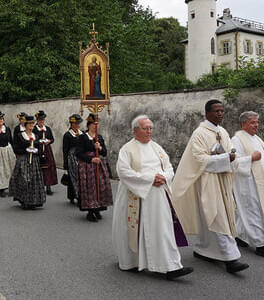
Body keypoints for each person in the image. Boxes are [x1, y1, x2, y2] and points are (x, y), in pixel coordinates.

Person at [172, 99, 249, 273]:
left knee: (211, 216)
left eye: (222, 110)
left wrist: (231, 157)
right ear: (206, 113)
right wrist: (224, 159)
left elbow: (231, 152)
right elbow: (199, 159)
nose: (220, 113)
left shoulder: (222, 131)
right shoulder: (199, 133)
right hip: (207, 180)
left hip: (222, 179)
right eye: (216, 111)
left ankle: (203, 249)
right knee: (217, 216)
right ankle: (231, 260)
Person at [112, 115, 192, 280]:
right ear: (135, 131)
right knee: (134, 230)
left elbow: (169, 166)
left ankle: (170, 266)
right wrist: (150, 179)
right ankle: (131, 262)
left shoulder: (157, 148)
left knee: (162, 229)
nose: (149, 131)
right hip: (135, 196)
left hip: (158, 197)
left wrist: (163, 177)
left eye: (150, 128)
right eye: (145, 128)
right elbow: (123, 172)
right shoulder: (127, 149)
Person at [231, 111, 264, 256]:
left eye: (257, 122)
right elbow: (234, 162)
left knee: (245, 210)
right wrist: (251, 157)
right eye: (252, 122)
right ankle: (260, 243)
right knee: (252, 210)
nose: (256, 125)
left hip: (259, 180)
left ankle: (240, 236)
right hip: (247, 181)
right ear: (243, 124)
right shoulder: (237, 140)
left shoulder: (256, 139)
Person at [76, 113, 112, 222]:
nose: (95, 126)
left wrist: (99, 147)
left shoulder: (99, 137)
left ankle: (98, 208)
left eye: (97, 124)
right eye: (93, 124)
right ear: (88, 125)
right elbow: (78, 153)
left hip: (99, 166)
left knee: (100, 186)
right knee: (90, 187)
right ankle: (90, 211)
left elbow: (104, 153)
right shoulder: (82, 137)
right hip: (87, 166)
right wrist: (90, 159)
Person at [9, 115, 46, 209]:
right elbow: (16, 149)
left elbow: (40, 149)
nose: (31, 125)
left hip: (34, 161)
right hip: (23, 160)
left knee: (34, 180)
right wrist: (26, 150)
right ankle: (24, 200)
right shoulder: (20, 136)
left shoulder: (36, 136)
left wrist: (37, 151)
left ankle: (34, 201)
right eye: (29, 123)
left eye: (32, 123)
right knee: (24, 180)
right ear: (25, 125)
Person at [33, 110, 58, 195]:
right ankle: (40, 187)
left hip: (47, 150)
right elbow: (32, 139)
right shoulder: (34, 129)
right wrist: (39, 142)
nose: (41, 121)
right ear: (37, 120)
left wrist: (49, 141)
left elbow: (52, 139)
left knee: (49, 168)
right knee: (40, 168)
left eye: (43, 120)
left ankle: (48, 187)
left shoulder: (47, 129)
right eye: (40, 120)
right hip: (39, 150)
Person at [62, 114, 83, 204]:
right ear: (72, 124)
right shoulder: (67, 135)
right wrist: (65, 163)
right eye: (76, 123)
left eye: (78, 123)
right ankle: (75, 195)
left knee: (81, 176)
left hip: (80, 156)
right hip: (72, 157)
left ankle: (78, 194)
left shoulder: (82, 133)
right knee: (74, 176)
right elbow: (65, 150)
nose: (78, 125)